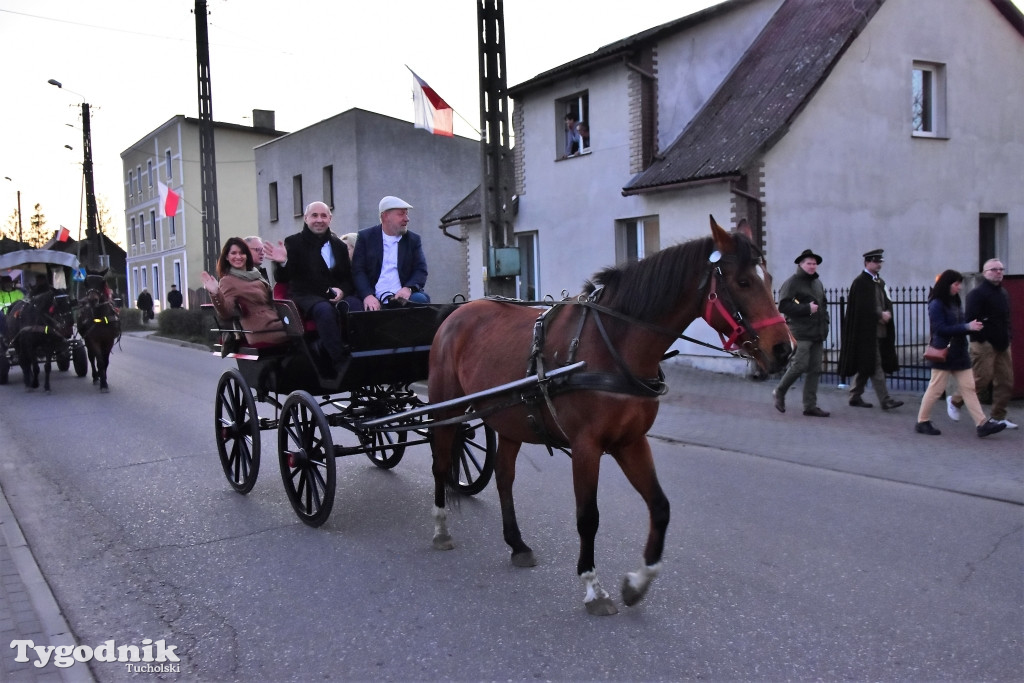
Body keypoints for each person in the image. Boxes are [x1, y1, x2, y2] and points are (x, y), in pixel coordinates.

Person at [268, 201, 361, 371]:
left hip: (336, 295)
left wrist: (342, 290)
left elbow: (347, 278)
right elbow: (285, 277)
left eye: (323, 216)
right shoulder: (294, 243)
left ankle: (360, 353)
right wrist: (283, 263)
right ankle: (339, 360)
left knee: (356, 305)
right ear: (305, 218)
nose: (319, 220)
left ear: (330, 219)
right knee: (324, 310)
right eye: (314, 215)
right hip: (307, 296)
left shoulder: (339, 246)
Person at [914, 269, 1006, 438]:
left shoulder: (954, 302)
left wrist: (970, 326)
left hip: (959, 351)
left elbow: (959, 323)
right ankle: (922, 421)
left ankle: (982, 424)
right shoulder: (936, 303)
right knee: (935, 388)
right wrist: (966, 327)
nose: (959, 288)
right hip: (944, 351)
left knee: (969, 388)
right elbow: (940, 329)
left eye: (960, 284)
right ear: (947, 284)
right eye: (956, 284)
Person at [948, 258, 1016, 429]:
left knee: (1006, 381)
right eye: (994, 269)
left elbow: (1005, 318)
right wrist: (982, 338)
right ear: (985, 273)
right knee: (981, 380)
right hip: (984, 343)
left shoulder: (1003, 293)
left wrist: (1008, 335)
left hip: (1003, 343)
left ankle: (998, 416)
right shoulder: (976, 294)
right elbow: (970, 320)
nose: (998, 272)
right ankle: (955, 401)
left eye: (1001, 269)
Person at [838, 249, 903, 410]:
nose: (878, 264)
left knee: (866, 364)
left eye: (879, 261)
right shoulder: (860, 282)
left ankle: (854, 395)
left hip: (879, 330)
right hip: (866, 332)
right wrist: (879, 314)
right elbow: (861, 308)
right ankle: (885, 400)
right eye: (875, 261)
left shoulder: (879, 282)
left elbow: (885, 301)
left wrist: (887, 313)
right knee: (875, 365)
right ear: (867, 263)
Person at [772, 249, 830, 417]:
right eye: (808, 263)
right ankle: (779, 391)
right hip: (800, 332)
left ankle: (810, 405)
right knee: (800, 365)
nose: (812, 266)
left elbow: (823, 304)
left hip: (817, 332)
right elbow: (783, 306)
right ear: (800, 264)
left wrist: (824, 321)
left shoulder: (817, 283)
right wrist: (807, 309)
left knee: (815, 369)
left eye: (814, 263)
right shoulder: (793, 283)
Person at [200, 237, 288, 347]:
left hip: (275, 323)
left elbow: (272, 298)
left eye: (242, 253)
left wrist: (283, 263)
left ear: (247, 256)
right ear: (227, 257)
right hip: (261, 330)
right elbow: (226, 312)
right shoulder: (228, 281)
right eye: (233, 253)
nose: (238, 257)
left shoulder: (255, 274)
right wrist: (215, 293)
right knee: (303, 336)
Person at [352, 196, 429, 311]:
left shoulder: (413, 240)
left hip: (403, 297)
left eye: (406, 214)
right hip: (373, 296)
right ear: (385, 216)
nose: (407, 219)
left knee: (420, 300)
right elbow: (358, 270)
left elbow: (420, 269)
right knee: (352, 305)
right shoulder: (366, 237)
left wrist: (408, 288)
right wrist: (367, 295)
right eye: (401, 214)